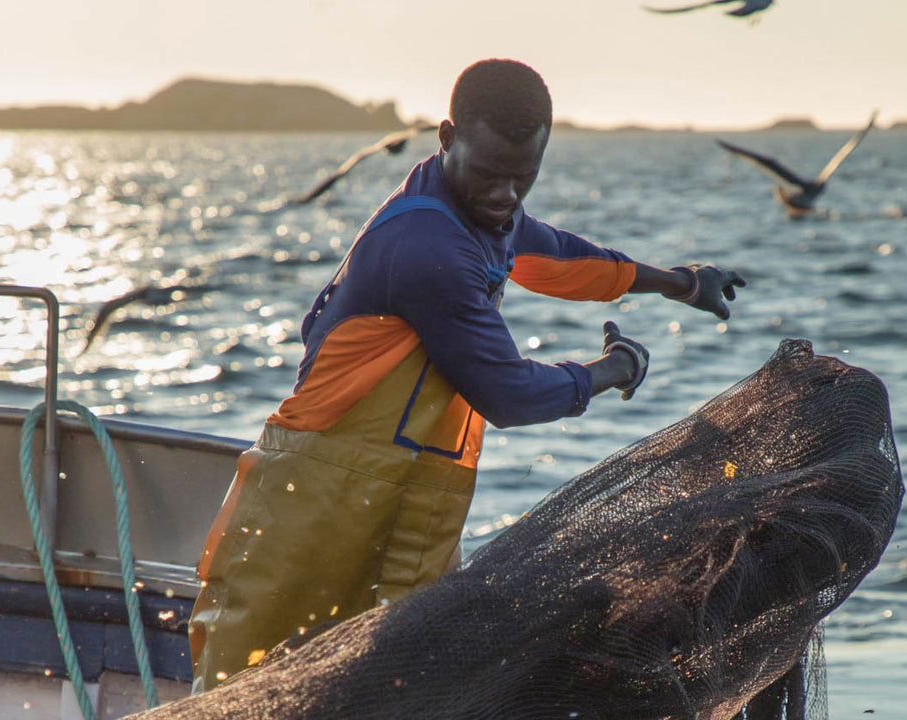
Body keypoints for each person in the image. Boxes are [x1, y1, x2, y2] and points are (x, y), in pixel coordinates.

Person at [187, 58, 746, 693]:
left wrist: (680, 283)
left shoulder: (482, 213)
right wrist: (614, 369)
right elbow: (506, 394)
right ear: (446, 137)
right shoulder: (427, 247)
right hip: (314, 499)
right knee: (254, 688)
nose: (505, 195)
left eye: (523, 176)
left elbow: (560, 257)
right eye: (488, 174)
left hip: (410, 498)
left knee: (395, 691)